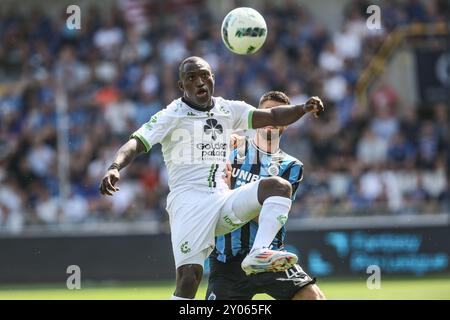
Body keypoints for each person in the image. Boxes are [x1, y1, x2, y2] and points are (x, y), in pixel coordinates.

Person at [99, 56, 324, 299]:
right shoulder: (172, 115)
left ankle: (259, 252)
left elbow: (273, 117)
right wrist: (115, 166)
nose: (199, 81)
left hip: (221, 199)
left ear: (212, 78)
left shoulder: (228, 109)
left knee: (278, 187)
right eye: (191, 77)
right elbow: (137, 142)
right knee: (189, 279)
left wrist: (303, 108)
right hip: (189, 202)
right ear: (181, 85)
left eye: (204, 75)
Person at [206, 91, 326, 300]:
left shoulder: (291, 166)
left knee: (313, 298)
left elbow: (271, 219)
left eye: (277, 114)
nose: (271, 118)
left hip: (268, 259)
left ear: (285, 123)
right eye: (266, 112)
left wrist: (232, 197)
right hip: (227, 261)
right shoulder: (230, 150)